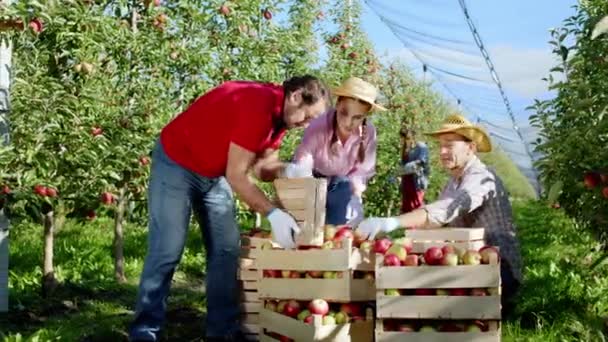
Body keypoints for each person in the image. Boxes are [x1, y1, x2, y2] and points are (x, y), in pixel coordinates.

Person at [128, 76, 330, 342]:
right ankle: (145, 330)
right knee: (168, 248)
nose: (307, 124)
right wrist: (273, 213)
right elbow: (237, 176)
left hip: (212, 173)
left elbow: (261, 168)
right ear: (295, 97)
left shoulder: (279, 121)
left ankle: (222, 331)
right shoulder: (257, 106)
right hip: (177, 162)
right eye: (308, 116)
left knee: (226, 249)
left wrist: (288, 170)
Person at [356, 114, 522, 314]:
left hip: (498, 270)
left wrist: (391, 222)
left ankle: (390, 311)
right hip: (469, 263)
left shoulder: (481, 178)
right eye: (440, 146)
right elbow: (434, 222)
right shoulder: (453, 182)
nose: (442, 152)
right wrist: (398, 244)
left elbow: (445, 210)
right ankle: (386, 308)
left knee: (430, 288)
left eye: (450, 145)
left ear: (471, 148)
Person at [288, 77, 386, 227]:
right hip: (313, 180)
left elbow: (362, 171)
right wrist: (309, 202)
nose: (348, 122)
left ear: (365, 116)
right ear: (337, 104)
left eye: (357, 117)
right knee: (309, 229)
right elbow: (303, 162)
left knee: (342, 227)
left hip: (342, 187)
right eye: (344, 113)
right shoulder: (319, 125)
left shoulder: (368, 133)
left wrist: (355, 197)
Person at [398, 127, 430, 213]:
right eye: (404, 139)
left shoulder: (421, 146)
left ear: (413, 136)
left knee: (416, 207)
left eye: (407, 138)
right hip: (406, 183)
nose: (405, 141)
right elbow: (401, 166)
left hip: (416, 182)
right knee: (407, 209)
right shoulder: (406, 149)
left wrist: (404, 168)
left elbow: (420, 162)